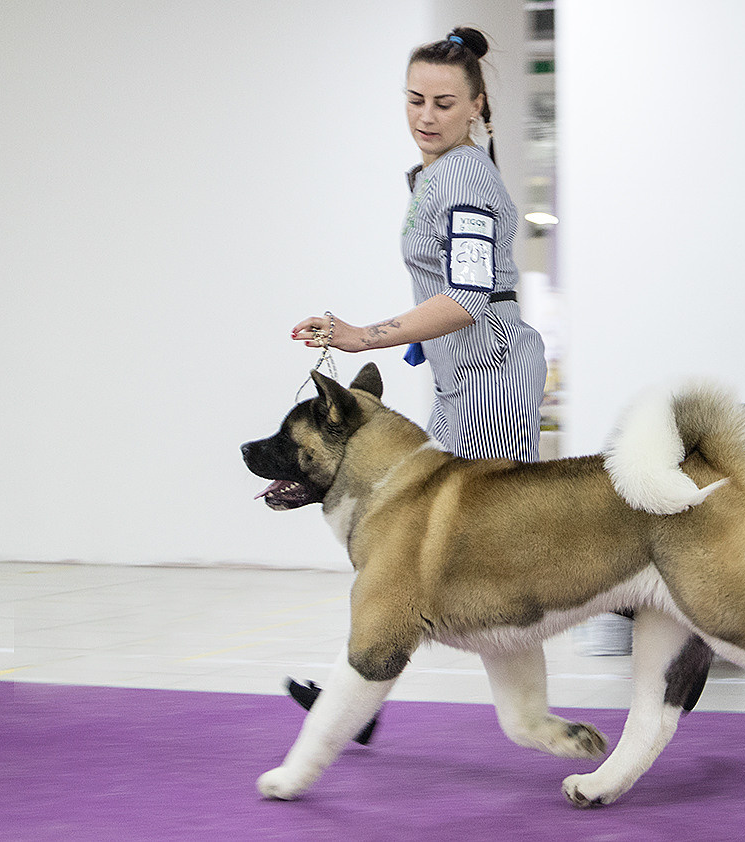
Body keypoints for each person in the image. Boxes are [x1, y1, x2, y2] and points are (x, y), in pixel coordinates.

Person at [286, 27, 547, 724]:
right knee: (430, 551)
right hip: (468, 376)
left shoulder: (461, 175)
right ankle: (362, 699)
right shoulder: (442, 172)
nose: (425, 116)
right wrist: (414, 342)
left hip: (489, 376)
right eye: (414, 100)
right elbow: (462, 292)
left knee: (468, 553)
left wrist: (359, 334)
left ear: (475, 107)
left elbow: (464, 300)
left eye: (443, 102)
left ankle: (653, 621)